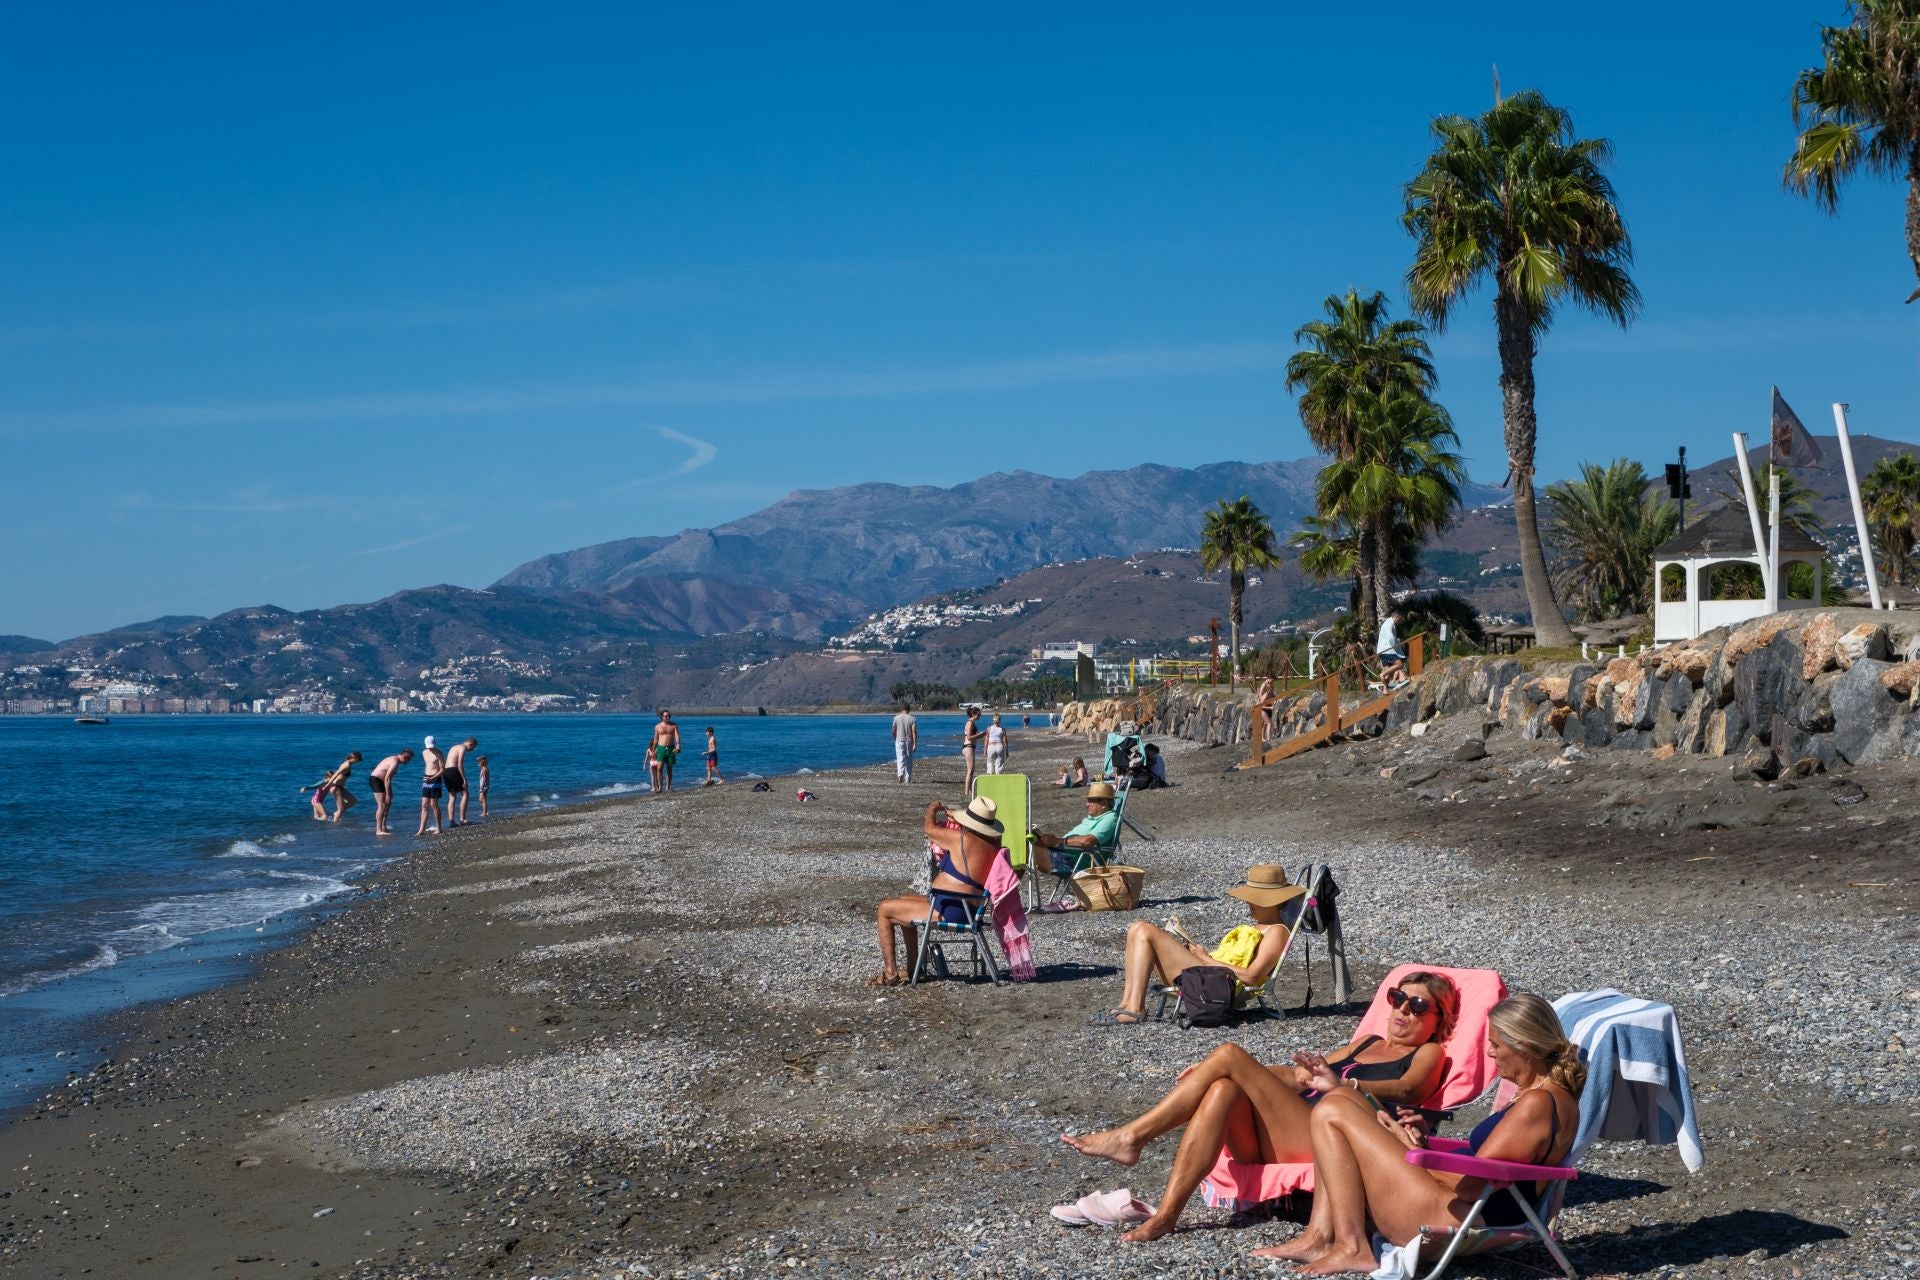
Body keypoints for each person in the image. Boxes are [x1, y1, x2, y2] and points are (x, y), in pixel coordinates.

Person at [1061, 970, 1460, 1244]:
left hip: (1338, 1138)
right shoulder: (1366, 1042)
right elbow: (1299, 1076)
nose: (1403, 1010)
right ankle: (1167, 1215)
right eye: (1397, 998)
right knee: (1221, 1087)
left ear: (1438, 1019)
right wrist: (1242, 1074)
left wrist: (1346, 1084)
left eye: (1418, 1006)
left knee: (1230, 1054)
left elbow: (1408, 1089)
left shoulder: (1430, 1052)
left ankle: (1131, 1137)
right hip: (1294, 1128)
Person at [1256, 991, 1579, 1272]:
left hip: (1463, 1215)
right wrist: (1422, 1147)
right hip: (1458, 1203)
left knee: (1334, 1107)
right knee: (1341, 1097)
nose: (1491, 1054)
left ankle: (1350, 1246)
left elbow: (1473, 1186)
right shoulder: (1546, 1096)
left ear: (1523, 1045)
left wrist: (1416, 1155)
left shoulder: (1537, 1103)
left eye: (1495, 1045)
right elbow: (1487, 1163)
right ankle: (1321, 1236)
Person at [868, 795, 1004, 987]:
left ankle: (890, 974)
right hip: (970, 907)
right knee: (904, 899)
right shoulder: (994, 844)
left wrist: (932, 810)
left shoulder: (962, 839)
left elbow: (929, 830)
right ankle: (915, 968)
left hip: (953, 909)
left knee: (884, 909)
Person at [1030, 781, 1119, 873]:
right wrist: (1049, 841)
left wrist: (1058, 841)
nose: (1086, 805)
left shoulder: (1110, 818)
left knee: (1023, 850)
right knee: (1025, 840)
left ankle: (1013, 885)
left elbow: (1087, 841)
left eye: (1090, 801)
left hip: (1074, 862)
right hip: (1064, 853)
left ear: (1104, 804)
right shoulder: (1093, 818)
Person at [368, 748, 413, 835]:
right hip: (376, 780)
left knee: (388, 803)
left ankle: (384, 826)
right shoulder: (394, 761)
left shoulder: (396, 761)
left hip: (382, 781)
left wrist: (390, 793)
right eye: (409, 759)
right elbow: (387, 778)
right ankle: (378, 830)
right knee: (381, 805)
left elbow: (389, 779)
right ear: (405, 757)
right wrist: (388, 794)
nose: (408, 762)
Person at [308, 752, 362, 822]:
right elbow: (336, 773)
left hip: (340, 788)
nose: (358, 762)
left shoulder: (349, 764)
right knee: (340, 808)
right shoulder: (347, 765)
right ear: (354, 758)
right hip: (336, 787)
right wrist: (328, 784)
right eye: (358, 760)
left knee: (353, 801)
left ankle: (336, 813)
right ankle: (335, 824)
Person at [444, 736, 478, 826]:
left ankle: (452, 822)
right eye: (473, 747)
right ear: (470, 744)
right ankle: (463, 819)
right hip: (453, 770)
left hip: (446, 771)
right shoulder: (462, 748)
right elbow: (460, 764)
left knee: (452, 797)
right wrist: (464, 779)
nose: (472, 750)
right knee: (465, 794)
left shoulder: (454, 747)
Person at [416, 736, 445, 836]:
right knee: (424, 804)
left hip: (435, 779)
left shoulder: (439, 753)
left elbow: (442, 769)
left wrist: (433, 778)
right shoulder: (424, 752)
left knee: (434, 804)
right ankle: (421, 829)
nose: (430, 748)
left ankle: (439, 828)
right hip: (426, 779)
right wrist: (427, 777)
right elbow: (428, 765)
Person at [649, 710, 681, 793]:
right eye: (665, 716)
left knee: (669, 769)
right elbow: (656, 738)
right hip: (661, 748)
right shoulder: (657, 726)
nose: (667, 717)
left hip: (671, 748)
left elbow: (677, 735)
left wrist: (678, 744)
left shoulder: (674, 725)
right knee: (659, 768)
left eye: (668, 716)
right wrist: (653, 750)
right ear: (662, 717)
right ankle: (660, 788)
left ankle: (668, 788)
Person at [1376, 608, 1408, 690]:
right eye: (1400, 619)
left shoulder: (1388, 623)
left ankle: (1385, 690)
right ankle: (1383, 675)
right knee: (1399, 664)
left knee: (1388, 674)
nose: (1400, 621)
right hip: (1387, 650)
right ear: (1397, 617)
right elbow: (1391, 639)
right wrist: (1398, 642)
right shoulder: (1389, 624)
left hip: (1382, 650)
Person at [891, 702, 917, 784]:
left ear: (902, 709)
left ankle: (900, 774)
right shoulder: (912, 718)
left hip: (899, 740)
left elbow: (893, 731)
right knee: (909, 760)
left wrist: (895, 738)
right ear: (909, 709)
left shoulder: (896, 718)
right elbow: (914, 732)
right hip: (908, 741)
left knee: (900, 758)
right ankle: (908, 778)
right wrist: (915, 743)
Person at [960, 707, 983, 795]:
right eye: (978, 714)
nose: (980, 716)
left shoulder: (972, 722)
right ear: (973, 714)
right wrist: (980, 735)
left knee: (971, 770)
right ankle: (966, 792)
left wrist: (980, 735)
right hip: (968, 746)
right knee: (970, 770)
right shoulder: (969, 723)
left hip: (970, 747)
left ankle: (969, 790)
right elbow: (969, 737)